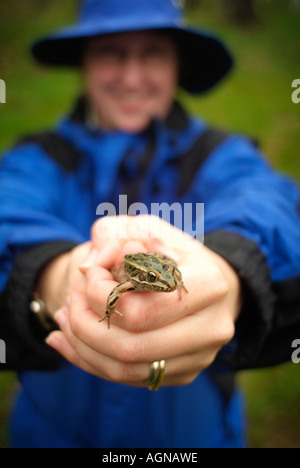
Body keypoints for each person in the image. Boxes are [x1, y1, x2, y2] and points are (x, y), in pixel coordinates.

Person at [0, 0, 299, 448]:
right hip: (51, 431)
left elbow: (269, 200)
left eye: (153, 52)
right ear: (85, 61)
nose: (132, 76)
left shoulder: (218, 154)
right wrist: (54, 275)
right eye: (111, 52)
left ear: (178, 61)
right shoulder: (40, 157)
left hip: (193, 437)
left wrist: (231, 273)